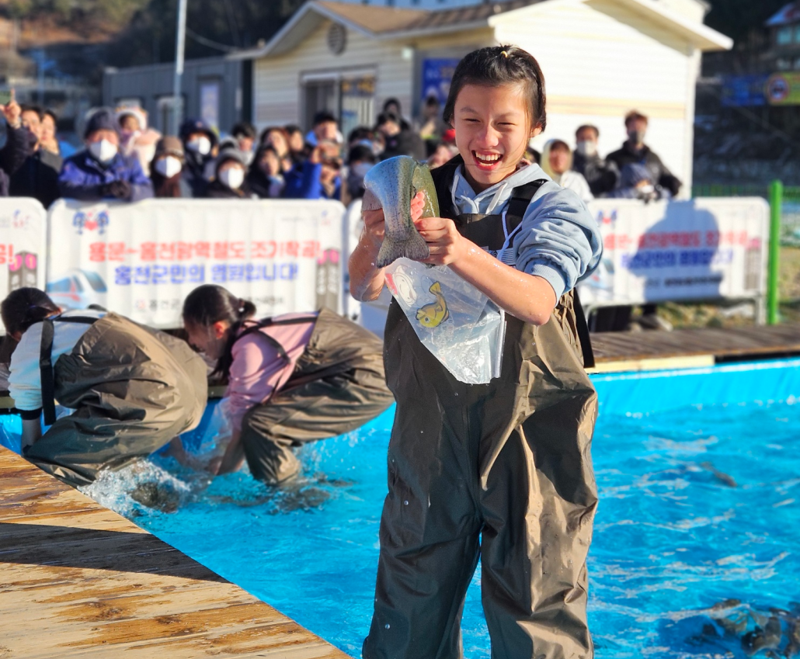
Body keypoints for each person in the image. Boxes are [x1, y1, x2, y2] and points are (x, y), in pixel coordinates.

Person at [350, 45, 601, 659]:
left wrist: (460, 251)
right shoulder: (419, 190)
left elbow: (539, 302)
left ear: (535, 127)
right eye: (470, 120)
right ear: (451, 120)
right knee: (410, 595)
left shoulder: (556, 206)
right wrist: (374, 237)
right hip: (429, 432)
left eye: (504, 124)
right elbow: (365, 285)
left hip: (532, 434)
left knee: (538, 597)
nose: (485, 139)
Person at [181, 285, 394, 484]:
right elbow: (234, 421)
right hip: (372, 368)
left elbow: (241, 432)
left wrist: (218, 484)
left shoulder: (250, 349)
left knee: (262, 427)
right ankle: (309, 485)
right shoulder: (255, 337)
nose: (191, 341)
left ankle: (294, 498)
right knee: (268, 420)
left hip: (369, 376)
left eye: (191, 332)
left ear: (218, 329)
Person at [2, 287, 207, 487]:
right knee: (111, 464)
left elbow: (30, 438)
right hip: (193, 393)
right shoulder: (94, 314)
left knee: (46, 469)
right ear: (57, 310)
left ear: (14, 334)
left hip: (149, 405)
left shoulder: (29, 345)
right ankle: (172, 501)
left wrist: (36, 466)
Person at [58, 108, 154, 202]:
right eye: (98, 135)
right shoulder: (74, 164)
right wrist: (99, 190)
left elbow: (147, 190)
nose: (103, 141)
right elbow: (67, 187)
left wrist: (130, 191)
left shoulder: (130, 164)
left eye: (109, 136)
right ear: (87, 139)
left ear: (118, 139)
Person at [606, 110, 682, 197]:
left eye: (641, 127)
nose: (637, 130)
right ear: (627, 130)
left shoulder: (653, 158)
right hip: (624, 206)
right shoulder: (614, 158)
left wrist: (674, 184)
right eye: (634, 127)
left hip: (650, 206)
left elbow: (666, 177)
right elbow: (607, 184)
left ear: (646, 129)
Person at [10, 104, 64, 208]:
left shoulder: (57, 163)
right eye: (24, 122)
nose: (30, 128)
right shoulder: (7, 160)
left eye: (34, 122)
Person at [541, 138, 593, 203]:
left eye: (563, 152)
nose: (559, 156)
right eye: (555, 151)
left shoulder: (576, 179)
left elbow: (588, 203)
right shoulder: (538, 180)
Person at [572, 124, 618, 197]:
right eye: (582, 138)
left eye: (589, 138)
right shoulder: (566, 165)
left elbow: (615, 191)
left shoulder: (607, 167)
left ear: (596, 140)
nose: (585, 142)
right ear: (576, 140)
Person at [179, 118, 218, 198]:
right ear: (185, 139)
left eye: (204, 136)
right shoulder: (179, 164)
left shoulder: (217, 165)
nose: (201, 139)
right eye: (196, 135)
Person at [117, 107, 161, 176]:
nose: (129, 125)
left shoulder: (147, 141)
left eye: (133, 123)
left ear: (138, 125)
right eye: (126, 122)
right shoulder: (116, 140)